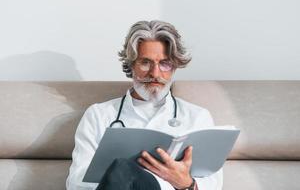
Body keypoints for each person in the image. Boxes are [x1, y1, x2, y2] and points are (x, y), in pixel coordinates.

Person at [66, 20, 223, 190]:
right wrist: (120, 178)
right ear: (131, 64)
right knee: (122, 168)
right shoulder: (98, 115)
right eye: (145, 62)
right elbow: (76, 182)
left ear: (174, 67)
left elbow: (214, 183)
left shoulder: (197, 117)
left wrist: (186, 183)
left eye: (165, 63)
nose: (155, 73)